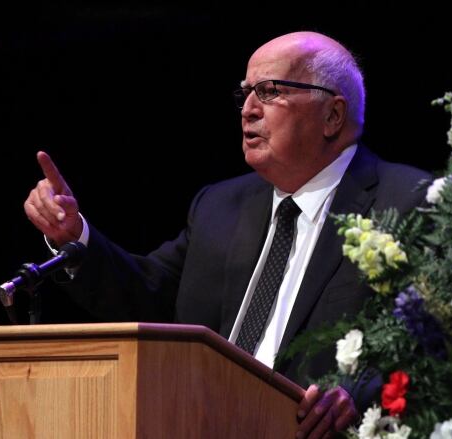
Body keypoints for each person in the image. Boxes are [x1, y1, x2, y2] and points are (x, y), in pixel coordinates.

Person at [24, 31, 429, 439]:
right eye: (245, 94)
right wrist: (73, 236)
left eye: (269, 91)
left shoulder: (409, 203)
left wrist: (360, 395)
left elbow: (439, 346)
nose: (249, 110)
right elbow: (147, 297)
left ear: (333, 116)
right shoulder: (219, 207)